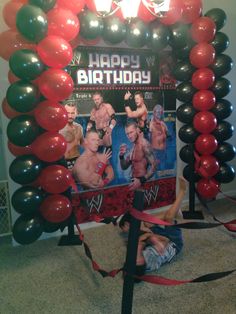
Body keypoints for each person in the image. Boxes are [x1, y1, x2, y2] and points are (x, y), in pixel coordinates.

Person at [119, 176, 187, 278]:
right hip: (173, 243)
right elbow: (165, 240)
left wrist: (146, 236)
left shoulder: (135, 257)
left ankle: (175, 213)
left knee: (147, 222)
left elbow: (140, 242)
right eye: (140, 255)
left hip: (158, 238)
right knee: (168, 218)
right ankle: (182, 192)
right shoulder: (153, 257)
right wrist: (151, 237)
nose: (137, 250)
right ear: (144, 261)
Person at [119, 122, 156, 190]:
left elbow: (154, 166)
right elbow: (124, 166)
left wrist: (141, 180)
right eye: (127, 134)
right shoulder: (133, 147)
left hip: (143, 183)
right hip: (134, 182)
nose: (129, 136)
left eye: (131, 132)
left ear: (137, 130)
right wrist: (121, 156)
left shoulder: (144, 145)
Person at [60, 103, 84, 170]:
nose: (70, 116)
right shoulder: (59, 128)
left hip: (77, 160)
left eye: (72, 113)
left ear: (76, 113)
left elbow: (83, 144)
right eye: (68, 113)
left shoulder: (79, 127)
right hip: (63, 161)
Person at [149, 104, 168, 170]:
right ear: (154, 113)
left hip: (163, 151)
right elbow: (148, 138)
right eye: (157, 112)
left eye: (160, 112)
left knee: (162, 169)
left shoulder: (163, 124)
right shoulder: (151, 124)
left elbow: (167, 137)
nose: (159, 113)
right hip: (155, 152)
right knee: (155, 170)